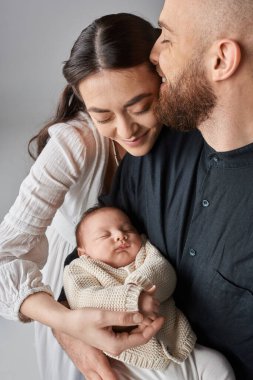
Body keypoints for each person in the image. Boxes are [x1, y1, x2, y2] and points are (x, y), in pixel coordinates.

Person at [0, 13, 165, 380]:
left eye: (139, 106)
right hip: (75, 297)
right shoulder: (76, 143)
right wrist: (67, 323)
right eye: (103, 115)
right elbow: (3, 253)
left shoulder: (181, 129)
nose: (126, 130)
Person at [96, 1, 253, 379]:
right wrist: (72, 334)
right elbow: (88, 254)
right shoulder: (153, 148)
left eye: (166, 38)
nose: (153, 53)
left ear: (221, 60)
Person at [63, 205, 235, 380]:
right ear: (83, 252)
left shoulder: (146, 252)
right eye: (105, 235)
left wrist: (141, 289)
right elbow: (83, 299)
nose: (120, 236)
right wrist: (130, 299)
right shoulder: (80, 269)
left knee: (217, 364)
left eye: (127, 229)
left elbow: (165, 274)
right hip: (126, 363)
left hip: (178, 350)